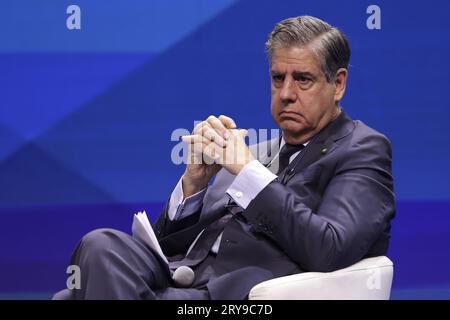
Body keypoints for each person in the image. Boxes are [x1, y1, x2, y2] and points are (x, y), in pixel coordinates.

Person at [53, 15, 395, 300]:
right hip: (180, 276)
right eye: (278, 78)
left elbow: (330, 248)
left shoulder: (362, 148)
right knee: (101, 245)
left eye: (302, 80)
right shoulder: (260, 151)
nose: (287, 94)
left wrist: (246, 170)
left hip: (228, 296)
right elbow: (169, 247)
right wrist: (194, 185)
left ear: (338, 84)